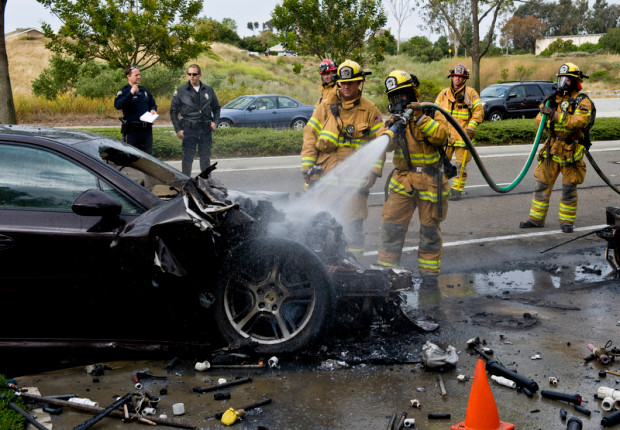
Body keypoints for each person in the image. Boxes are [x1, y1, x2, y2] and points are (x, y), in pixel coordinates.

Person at [301, 59, 384, 260]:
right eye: (343, 83)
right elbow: (310, 133)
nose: (346, 87)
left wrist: (374, 171)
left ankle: (355, 269)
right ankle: (323, 268)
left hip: (355, 182)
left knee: (353, 228)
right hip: (325, 175)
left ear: (360, 83)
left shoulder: (370, 110)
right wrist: (307, 165)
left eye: (351, 83)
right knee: (320, 225)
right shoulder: (325, 106)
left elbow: (381, 141)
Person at [376, 71, 450, 281]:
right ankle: (386, 275)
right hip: (403, 180)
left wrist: (419, 118)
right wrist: (391, 129)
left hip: (430, 181)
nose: (399, 100)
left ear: (412, 93)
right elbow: (384, 145)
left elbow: (441, 136)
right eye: (394, 97)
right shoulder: (394, 121)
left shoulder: (432, 113)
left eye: (402, 95)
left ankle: (429, 278)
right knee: (390, 226)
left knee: (429, 232)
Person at [519, 62, 592, 234]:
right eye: (561, 79)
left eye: (567, 80)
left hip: (570, 150)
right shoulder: (553, 99)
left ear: (575, 82)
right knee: (541, 185)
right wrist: (545, 112)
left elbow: (580, 121)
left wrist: (556, 115)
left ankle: (566, 222)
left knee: (568, 189)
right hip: (551, 149)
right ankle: (536, 219)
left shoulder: (582, 100)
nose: (563, 83)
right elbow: (538, 120)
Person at [434, 64, 484, 200]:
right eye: (455, 76)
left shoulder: (471, 93)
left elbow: (479, 111)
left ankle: (456, 191)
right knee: (441, 164)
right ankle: (440, 189)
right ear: (452, 77)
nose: (457, 79)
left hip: (463, 138)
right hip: (446, 137)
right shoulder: (444, 94)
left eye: (460, 77)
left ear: (465, 78)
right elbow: (434, 112)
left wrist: (471, 128)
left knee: (460, 166)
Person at [170, 64, 221, 177]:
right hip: (189, 128)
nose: (191, 76)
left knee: (205, 158)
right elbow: (173, 112)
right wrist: (178, 129)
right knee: (188, 158)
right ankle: (186, 183)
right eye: (189, 74)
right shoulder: (181, 91)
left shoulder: (208, 89)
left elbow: (216, 108)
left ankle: (206, 183)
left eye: (194, 74)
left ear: (200, 75)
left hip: (205, 128)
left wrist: (215, 122)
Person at [301, 59, 338, 187]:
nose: (327, 77)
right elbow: (313, 127)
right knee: (310, 188)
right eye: (324, 74)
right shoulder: (322, 95)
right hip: (320, 147)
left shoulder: (338, 91)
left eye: (330, 73)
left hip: (334, 149)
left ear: (336, 72)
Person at [114, 65, 158, 154]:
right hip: (132, 131)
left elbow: (152, 104)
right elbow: (117, 105)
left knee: (147, 158)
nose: (139, 77)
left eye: (139, 74)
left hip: (146, 130)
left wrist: (153, 109)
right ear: (128, 76)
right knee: (131, 158)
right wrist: (130, 93)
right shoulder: (124, 91)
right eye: (136, 75)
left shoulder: (144, 91)